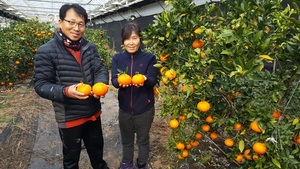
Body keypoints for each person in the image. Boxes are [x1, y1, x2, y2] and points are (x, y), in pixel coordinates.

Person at [33, 4, 109, 169]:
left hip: (93, 113)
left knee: (98, 156)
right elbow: (40, 84)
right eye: (71, 22)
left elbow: (100, 68)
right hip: (69, 118)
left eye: (81, 24)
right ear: (60, 22)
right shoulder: (46, 51)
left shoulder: (89, 47)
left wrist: (100, 83)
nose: (76, 28)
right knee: (71, 161)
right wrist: (65, 91)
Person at [111, 22, 158, 169]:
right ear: (123, 41)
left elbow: (152, 81)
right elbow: (114, 80)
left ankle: (142, 162)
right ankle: (127, 162)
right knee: (127, 140)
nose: (131, 42)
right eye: (127, 39)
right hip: (125, 109)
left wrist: (144, 79)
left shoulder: (149, 58)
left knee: (143, 140)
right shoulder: (117, 58)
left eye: (135, 38)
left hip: (144, 108)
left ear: (140, 39)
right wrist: (119, 82)